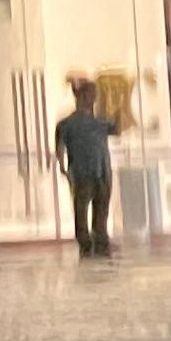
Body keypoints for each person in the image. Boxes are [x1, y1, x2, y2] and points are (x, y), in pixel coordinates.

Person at [54, 76, 117, 258]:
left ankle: (99, 239)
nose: (92, 99)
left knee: (100, 210)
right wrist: (63, 167)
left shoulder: (100, 122)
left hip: (101, 172)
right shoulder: (67, 125)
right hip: (83, 173)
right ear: (81, 97)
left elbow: (118, 127)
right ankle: (86, 242)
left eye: (94, 95)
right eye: (89, 95)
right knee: (82, 210)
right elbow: (59, 148)